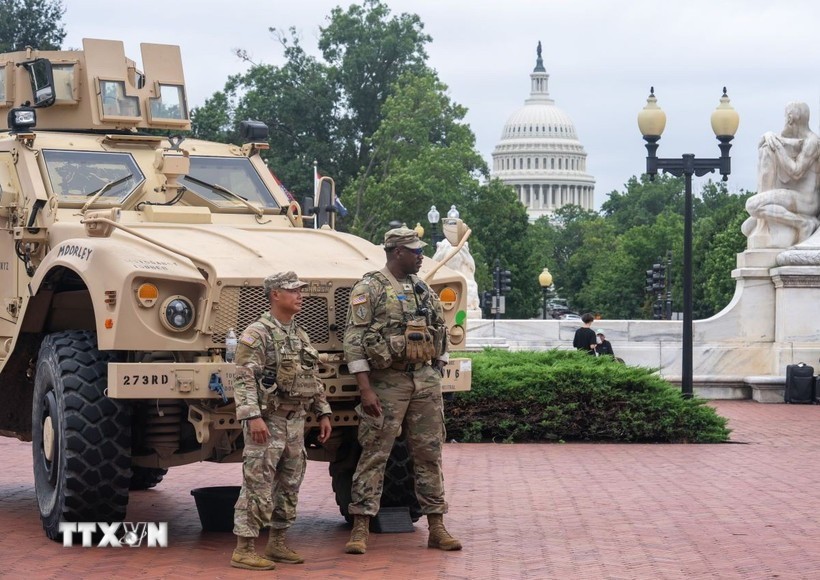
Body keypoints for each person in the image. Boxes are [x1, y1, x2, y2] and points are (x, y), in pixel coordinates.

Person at [342, 226, 462, 555]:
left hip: (424, 381)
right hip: (387, 382)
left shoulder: (422, 288)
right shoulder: (370, 288)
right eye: (415, 251)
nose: (421, 256)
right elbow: (354, 341)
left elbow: (440, 330)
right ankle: (361, 527)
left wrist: (436, 368)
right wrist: (365, 389)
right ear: (397, 252)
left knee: (429, 454)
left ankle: (436, 526)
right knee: (374, 454)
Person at [230, 271, 332, 571]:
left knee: (289, 483)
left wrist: (323, 411)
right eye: (293, 290)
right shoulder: (257, 333)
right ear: (275, 294)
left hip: (295, 421)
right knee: (257, 484)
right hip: (268, 420)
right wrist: (253, 417)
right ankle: (244, 549)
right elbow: (244, 377)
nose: (300, 295)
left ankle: (277, 542)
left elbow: (312, 376)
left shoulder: (299, 334)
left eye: (300, 290)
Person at [742, 101, 820, 247]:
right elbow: (770, 140)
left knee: (751, 205)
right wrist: (768, 135)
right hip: (794, 198)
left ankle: (803, 223)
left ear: (790, 118)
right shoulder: (803, 139)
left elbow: (796, 171)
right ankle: (796, 223)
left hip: (806, 201)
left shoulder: (813, 142)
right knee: (746, 227)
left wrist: (777, 146)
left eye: (785, 117)